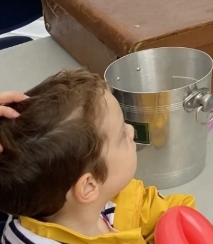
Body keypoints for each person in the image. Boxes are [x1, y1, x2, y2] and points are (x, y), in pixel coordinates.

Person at [0, 70, 195, 244]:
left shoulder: (106, 201)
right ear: (89, 186)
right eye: (122, 135)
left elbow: (172, 213)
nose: (132, 131)